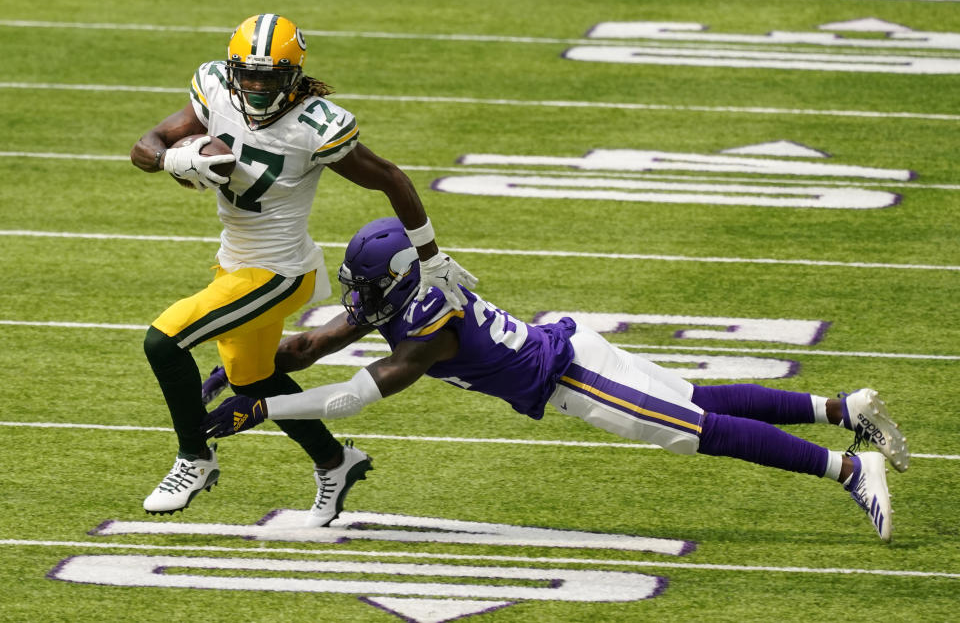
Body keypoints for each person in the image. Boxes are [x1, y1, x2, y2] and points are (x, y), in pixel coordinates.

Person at [202, 217, 909, 541]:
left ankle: (847, 466)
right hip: (570, 348)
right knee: (697, 401)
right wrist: (247, 368)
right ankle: (843, 407)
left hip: (568, 374)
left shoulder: (429, 319)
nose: (359, 301)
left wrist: (266, 412)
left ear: (400, 280)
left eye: (366, 288)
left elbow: (362, 391)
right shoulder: (397, 292)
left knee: (697, 430)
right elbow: (318, 343)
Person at [129, 14, 476, 525]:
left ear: (293, 75)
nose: (255, 86)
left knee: (163, 340)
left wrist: (431, 256)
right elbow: (147, 144)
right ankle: (336, 462)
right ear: (232, 70)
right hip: (235, 263)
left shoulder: (314, 125)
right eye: (247, 74)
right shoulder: (216, 90)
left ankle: (195, 458)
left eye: (269, 77)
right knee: (253, 378)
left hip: (279, 273)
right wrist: (169, 161)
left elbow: (390, 178)